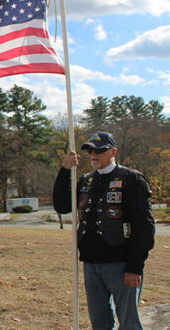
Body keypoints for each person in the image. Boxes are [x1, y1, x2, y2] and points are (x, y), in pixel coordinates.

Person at [53, 131, 156, 330]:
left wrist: (135, 266)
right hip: (91, 264)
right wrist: (65, 170)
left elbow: (144, 227)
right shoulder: (85, 181)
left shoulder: (131, 179)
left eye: (100, 150)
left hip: (121, 264)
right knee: (100, 323)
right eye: (90, 150)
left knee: (129, 323)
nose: (94, 154)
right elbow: (62, 205)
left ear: (113, 151)